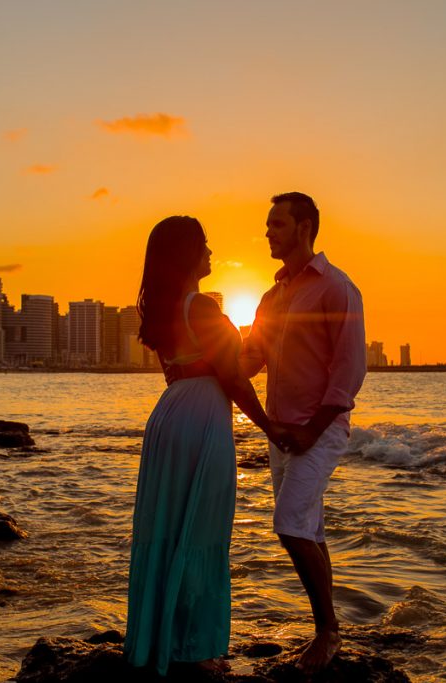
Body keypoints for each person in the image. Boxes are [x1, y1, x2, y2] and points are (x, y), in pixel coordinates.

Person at [124, 215, 285, 677]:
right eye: (204, 245)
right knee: (203, 531)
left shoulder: (163, 309)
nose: (211, 253)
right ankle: (194, 648)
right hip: (202, 421)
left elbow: (200, 369)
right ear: (187, 254)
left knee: (168, 530)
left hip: (171, 415)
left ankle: (160, 639)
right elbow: (232, 378)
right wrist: (272, 427)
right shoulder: (203, 308)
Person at [241, 192, 367, 675]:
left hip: (321, 428)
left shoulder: (337, 288)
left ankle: (328, 631)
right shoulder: (272, 297)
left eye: (277, 223)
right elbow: (251, 358)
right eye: (268, 224)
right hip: (281, 431)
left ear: (305, 227)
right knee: (309, 528)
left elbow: (349, 368)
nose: (268, 232)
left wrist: (312, 430)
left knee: (289, 525)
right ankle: (328, 629)